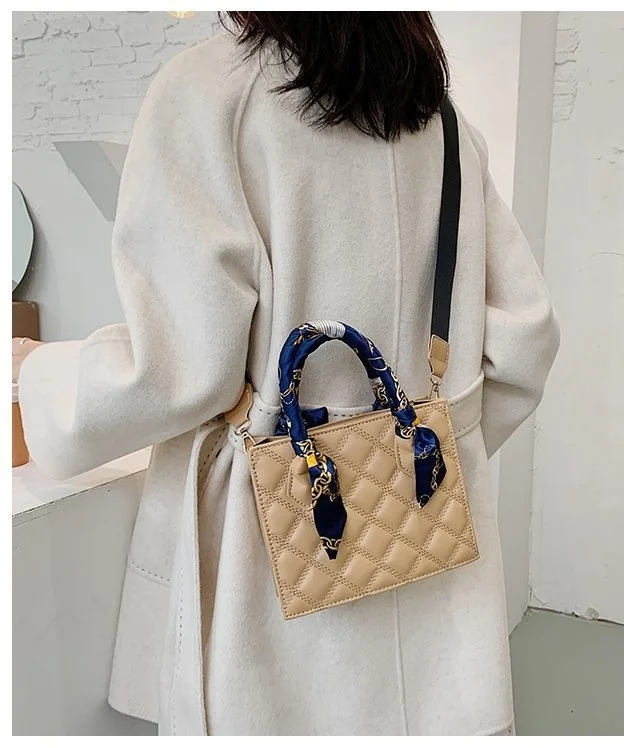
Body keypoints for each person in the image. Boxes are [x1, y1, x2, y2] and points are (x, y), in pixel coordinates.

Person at [14, 12, 560, 736]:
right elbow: (524, 343)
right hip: (435, 572)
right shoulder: (442, 124)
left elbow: (180, 369)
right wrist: (406, 461)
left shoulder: (211, 93)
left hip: (278, 568)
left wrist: (38, 376)